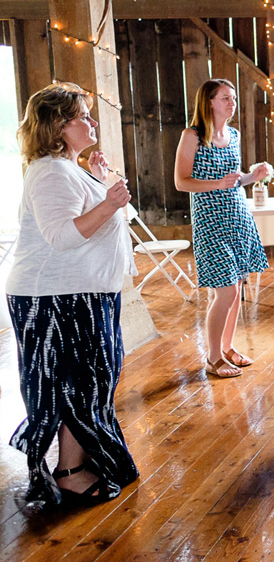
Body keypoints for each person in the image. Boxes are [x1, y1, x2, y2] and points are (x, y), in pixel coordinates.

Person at [6, 82, 139, 505]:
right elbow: (62, 236)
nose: (92, 121)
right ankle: (70, 473)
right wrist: (109, 202)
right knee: (77, 386)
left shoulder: (70, 167)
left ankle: (80, 463)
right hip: (54, 296)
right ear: (58, 127)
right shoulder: (48, 171)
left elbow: (89, 217)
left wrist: (99, 184)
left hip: (81, 292)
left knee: (90, 382)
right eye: (82, 116)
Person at [174, 79, 271, 379]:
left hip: (237, 217)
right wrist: (219, 183)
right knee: (226, 291)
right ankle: (212, 357)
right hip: (210, 221)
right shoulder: (192, 136)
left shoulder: (234, 134)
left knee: (237, 286)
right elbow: (181, 182)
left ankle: (227, 348)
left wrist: (252, 176)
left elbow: (234, 179)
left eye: (233, 98)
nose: (232, 103)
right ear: (209, 102)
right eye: (225, 98)